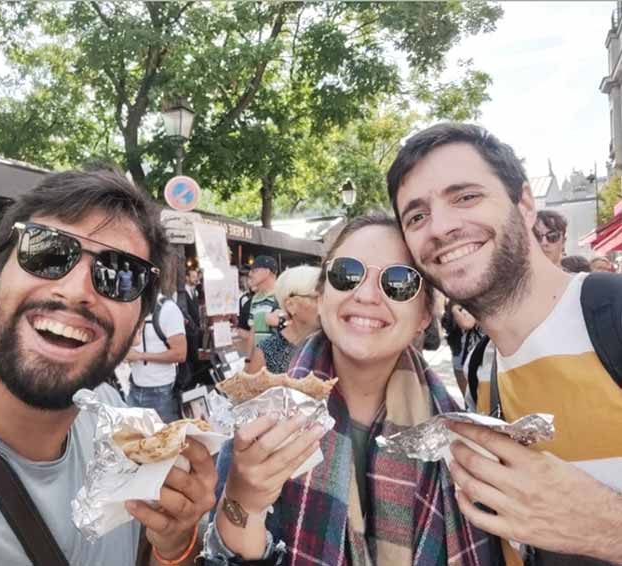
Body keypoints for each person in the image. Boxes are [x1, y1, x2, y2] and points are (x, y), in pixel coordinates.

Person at [0, 168, 217, 566]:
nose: (77, 292)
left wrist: (175, 543)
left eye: (118, 275)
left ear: (136, 328)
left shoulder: (119, 426)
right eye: (46, 252)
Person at [387, 122, 622, 564]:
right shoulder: (484, 372)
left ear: (525, 203)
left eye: (465, 197)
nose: (440, 227)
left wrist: (608, 528)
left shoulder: (613, 318)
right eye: (416, 216)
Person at [203, 212, 496, 566]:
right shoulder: (261, 420)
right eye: (347, 274)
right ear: (322, 294)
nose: (367, 295)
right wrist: (244, 500)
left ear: (423, 315)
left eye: (399, 281)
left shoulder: (466, 444)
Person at [246, 265, 321, 374]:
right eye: (317, 298)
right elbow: (251, 389)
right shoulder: (267, 353)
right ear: (291, 305)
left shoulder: (335, 344)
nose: (326, 304)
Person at [126, 292, 187, 423]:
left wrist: (140, 356)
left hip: (161, 392)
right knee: (136, 440)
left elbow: (180, 354)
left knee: (165, 440)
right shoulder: (131, 306)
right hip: (134, 386)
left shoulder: (168, 309)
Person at [441, 300, 483, 395]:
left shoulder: (472, 300)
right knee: (467, 394)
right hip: (459, 350)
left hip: (472, 354)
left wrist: (454, 309)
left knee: (474, 393)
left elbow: (467, 323)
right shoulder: (454, 300)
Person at [242, 255, 279, 352]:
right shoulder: (255, 299)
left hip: (279, 361)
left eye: (254, 271)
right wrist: (248, 362)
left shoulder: (283, 295)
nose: (250, 274)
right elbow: (253, 333)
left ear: (267, 272)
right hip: (259, 361)